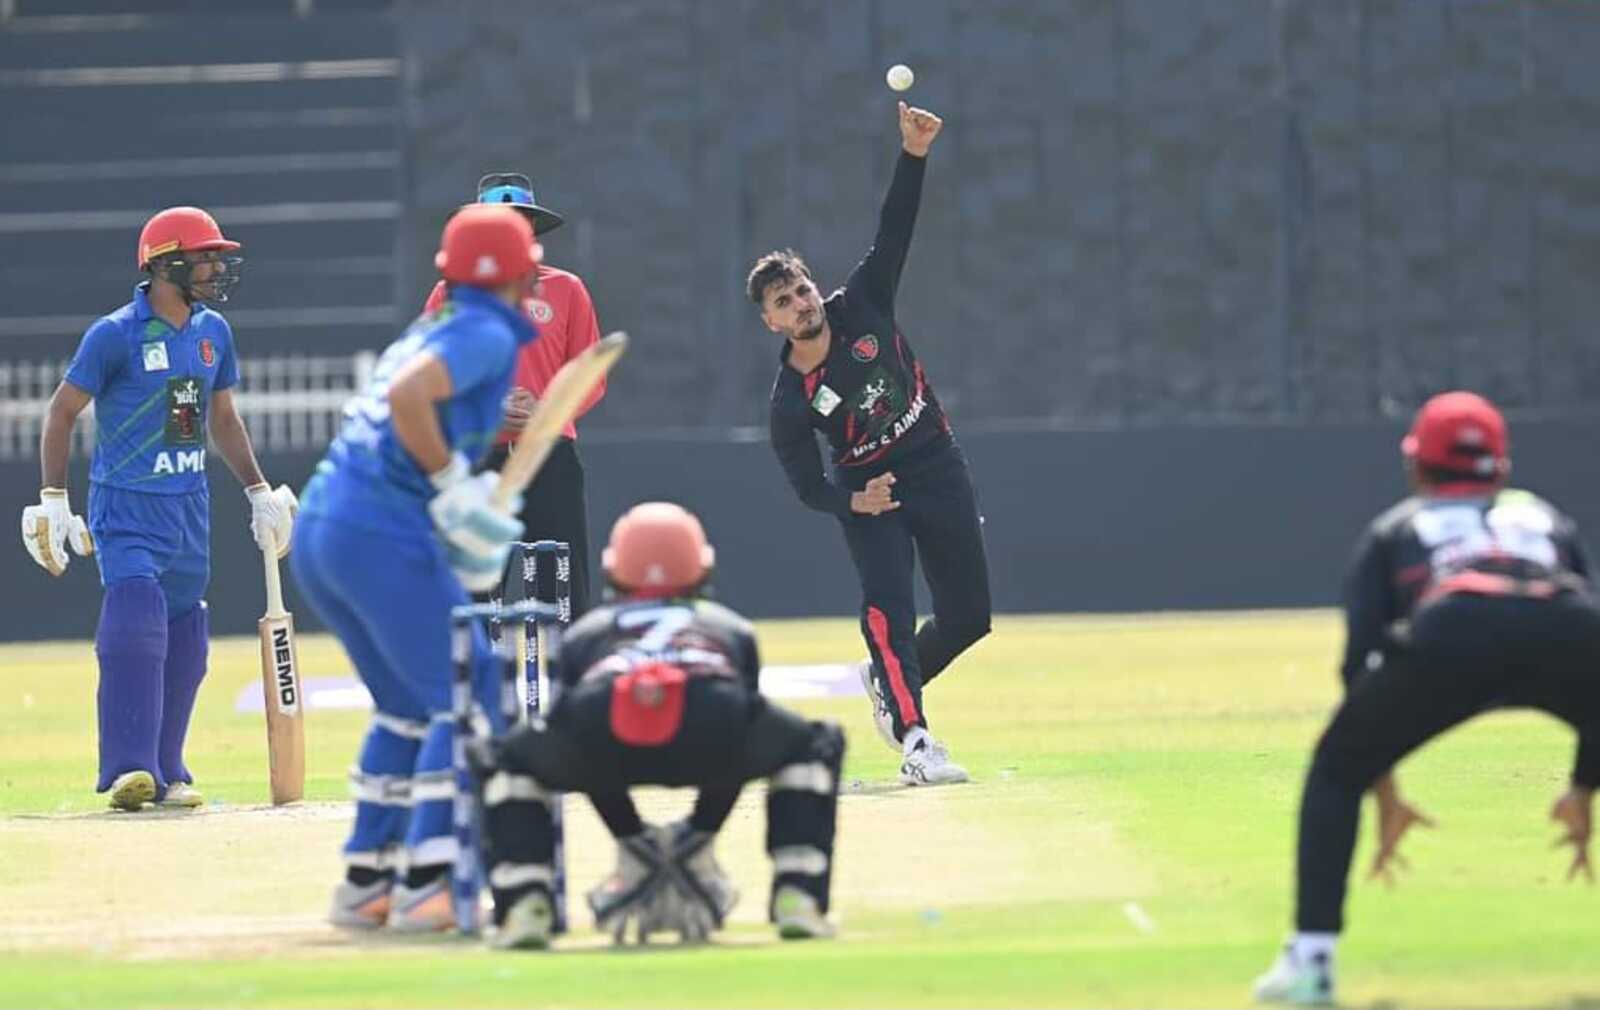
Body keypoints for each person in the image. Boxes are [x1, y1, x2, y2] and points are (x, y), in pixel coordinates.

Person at [1253, 391, 1600, 1005]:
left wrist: (1377, 784)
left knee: (1333, 773)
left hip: (1454, 631)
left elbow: (1359, 663)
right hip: (1567, 625)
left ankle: (1311, 962)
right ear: (1503, 466)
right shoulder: (1544, 517)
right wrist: (1584, 783)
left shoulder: (1397, 527)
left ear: (1417, 467)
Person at [290, 205, 543, 931]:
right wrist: (450, 487)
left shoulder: (430, 326)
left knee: (408, 705)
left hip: (324, 526)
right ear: (523, 273)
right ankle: (430, 881)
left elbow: (400, 405)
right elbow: (409, 402)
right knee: (471, 691)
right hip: (378, 528)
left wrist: (448, 517)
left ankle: (369, 880)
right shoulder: (486, 331)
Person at [468, 501, 846, 949]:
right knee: (814, 744)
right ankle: (797, 895)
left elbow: (579, 747)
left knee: (503, 758)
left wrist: (632, 838)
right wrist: (698, 834)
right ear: (703, 570)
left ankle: (524, 904)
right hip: (711, 715)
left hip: (602, 716)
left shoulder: (587, 632)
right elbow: (740, 736)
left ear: (613, 571)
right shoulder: (731, 628)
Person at [21, 206, 294, 812]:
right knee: (136, 615)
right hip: (126, 507)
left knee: (187, 634)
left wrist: (257, 490)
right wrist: (53, 499)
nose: (215, 268)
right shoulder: (114, 334)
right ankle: (127, 770)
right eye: (204, 257)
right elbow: (62, 412)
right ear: (165, 262)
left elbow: (222, 419)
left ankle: (167, 771)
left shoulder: (213, 332)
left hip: (188, 507)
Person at [749, 102, 988, 787]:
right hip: (873, 494)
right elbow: (805, 486)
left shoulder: (864, 302)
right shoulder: (788, 401)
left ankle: (884, 682)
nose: (800, 303)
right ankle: (917, 743)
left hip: (935, 462)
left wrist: (913, 154)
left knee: (970, 616)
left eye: (799, 288)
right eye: (783, 303)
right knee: (888, 608)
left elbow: (894, 230)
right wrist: (855, 500)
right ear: (771, 324)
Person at [423, 173, 605, 616]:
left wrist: (547, 411)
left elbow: (591, 376)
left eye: (518, 223)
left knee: (565, 592)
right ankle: (473, 682)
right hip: (478, 453)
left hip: (548, 453)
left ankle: (569, 682)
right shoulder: (450, 293)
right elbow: (430, 374)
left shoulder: (566, 288)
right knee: (472, 595)